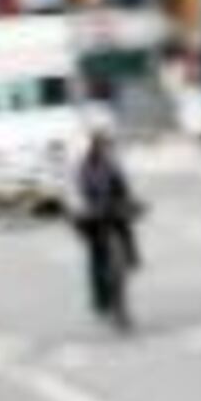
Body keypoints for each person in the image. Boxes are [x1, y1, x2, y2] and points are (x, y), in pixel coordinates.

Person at [67, 122, 143, 331]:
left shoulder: (113, 165)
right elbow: (78, 194)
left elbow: (124, 189)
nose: (105, 148)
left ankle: (131, 258)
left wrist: (131, 204)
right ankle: (100, 298)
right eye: (101, 144)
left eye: (106, 144)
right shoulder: (84, 166)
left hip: (113, 213)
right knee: (96, 254)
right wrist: (83, 211)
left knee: (126, 231)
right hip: (94, 217)